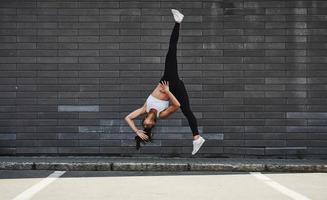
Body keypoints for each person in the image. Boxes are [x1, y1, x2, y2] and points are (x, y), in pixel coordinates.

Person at [125, 9, 205, 155]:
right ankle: (178, 21)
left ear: (143, 122)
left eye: (145, 125)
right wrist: (168, 92)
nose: (148, 123)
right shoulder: (162, 114)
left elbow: (128, 117)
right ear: (154, 123)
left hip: (167, 80)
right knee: (185, 109)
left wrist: (137, 131)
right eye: (150, 126)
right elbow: (176, 105)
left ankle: (197, 137)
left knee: (171, 52)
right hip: (171, 88)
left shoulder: (145, 108)